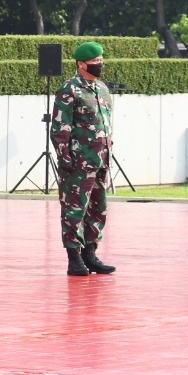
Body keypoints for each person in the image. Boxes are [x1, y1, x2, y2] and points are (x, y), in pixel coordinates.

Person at [51, 42, 116, 276]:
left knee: (98, 208)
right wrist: (64, 157)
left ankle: (91, 253)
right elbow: (60, 128)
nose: (100, 64)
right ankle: (74, 257)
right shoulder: (69, 89)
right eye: (95, 61)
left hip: (100, 160)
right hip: (78, 162)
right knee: (74, 209)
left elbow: (106, 123)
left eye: (101, 60)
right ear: (81, 64)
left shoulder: (102, 89)